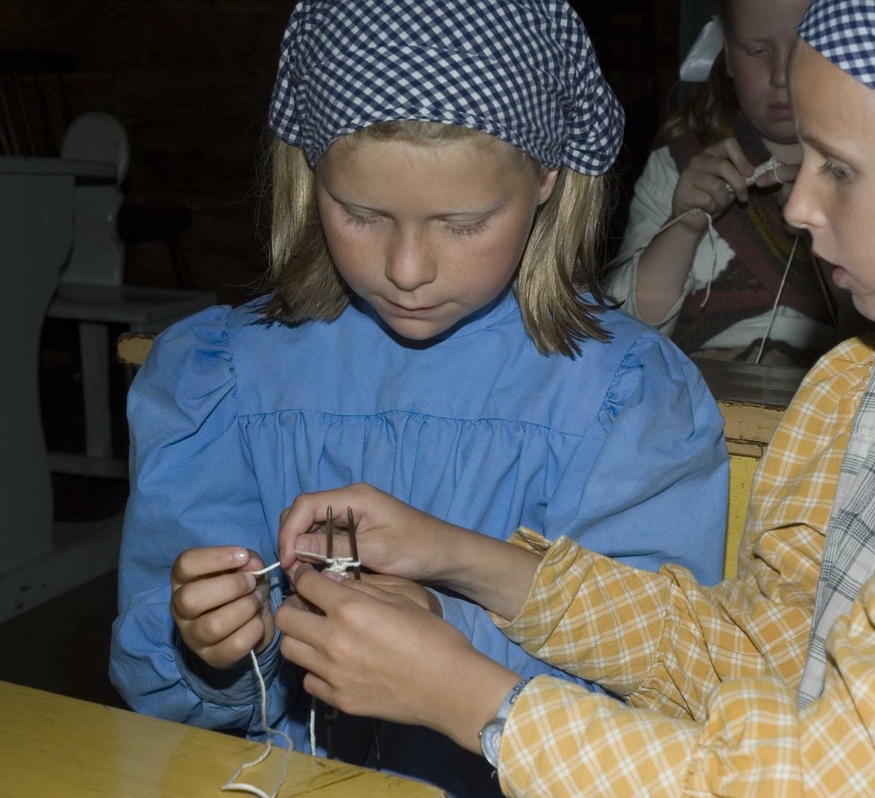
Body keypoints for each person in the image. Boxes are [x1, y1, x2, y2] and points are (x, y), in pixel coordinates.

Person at [271, 0, 875, 794]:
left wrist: (470, 698)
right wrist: (460, 556)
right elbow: (765, 659)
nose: (797, 205)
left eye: (838, 167)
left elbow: (849, 785)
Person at [108, 1, 730, 795]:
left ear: (546, 179)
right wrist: (219, 643)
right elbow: (156, 692)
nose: (407, 268)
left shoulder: (627, 403)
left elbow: (655, 698)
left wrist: (447, 637)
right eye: (360, 214)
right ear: (309, 174)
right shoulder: (222, 379)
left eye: (463, 223)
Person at [604, 0, 845, 364]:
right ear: (728, 57)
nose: (780, 74)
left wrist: (825, 228)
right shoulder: (676, 167)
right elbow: (620, 331)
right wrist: (684, 228)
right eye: (757, 50)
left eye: (804, 47)